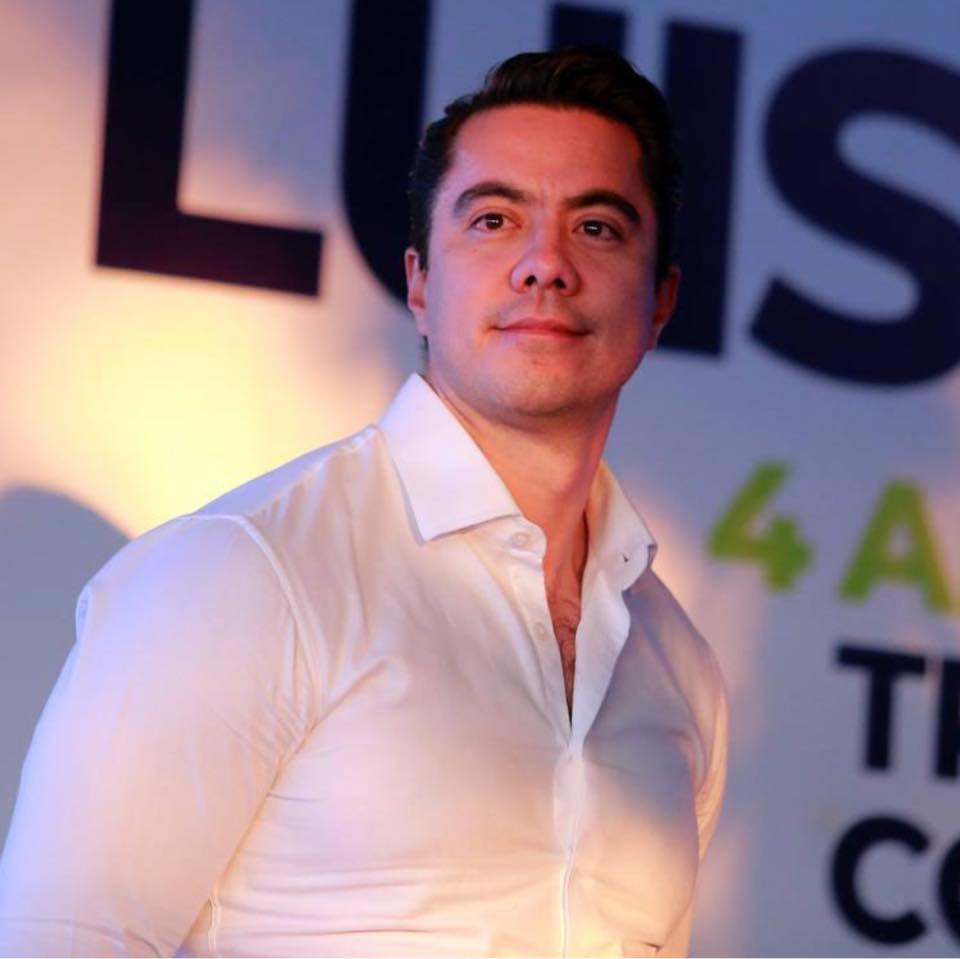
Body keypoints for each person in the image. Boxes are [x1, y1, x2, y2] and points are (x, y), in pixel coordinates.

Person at [0, 47, 727, 958]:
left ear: (661, 301)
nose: (545, 264)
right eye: (495, 220)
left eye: (597, 228)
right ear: (419, 281)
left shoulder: (678, 664)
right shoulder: (246, 572)